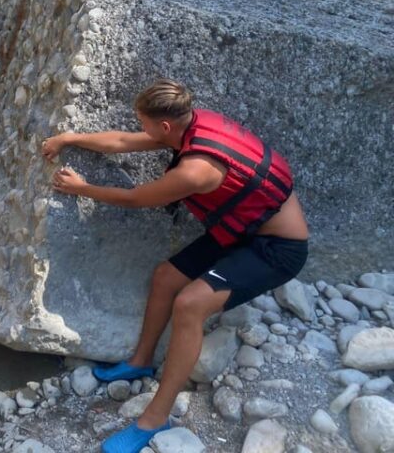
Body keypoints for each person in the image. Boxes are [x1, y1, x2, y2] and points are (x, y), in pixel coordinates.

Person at [42, 78, 308, 453]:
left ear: (165, 125)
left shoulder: (195, 170)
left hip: (277, 250)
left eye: (145, 123)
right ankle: (140, 362)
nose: (142, 130)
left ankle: (155, 416)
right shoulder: (191, 124)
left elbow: (136, 199)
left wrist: (81, 188)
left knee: (190, 304)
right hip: (242, 231)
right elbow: (123, 141)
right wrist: (69, 138)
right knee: (166, 277)